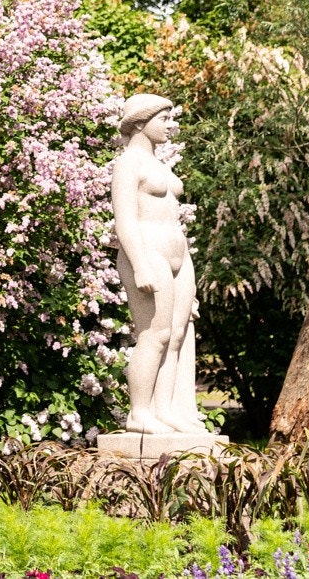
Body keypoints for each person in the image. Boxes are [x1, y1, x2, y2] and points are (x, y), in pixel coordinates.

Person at [112, 93, 206, 435]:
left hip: (178, 255)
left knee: (178, 335)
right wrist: (139, 265)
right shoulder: (128, 164)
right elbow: (124, 220)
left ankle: (164, 409)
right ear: (139, 122)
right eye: (163, 119)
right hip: (147, 252)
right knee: (155, 334)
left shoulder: (160, 164)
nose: (171, 125)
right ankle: (139, 413)